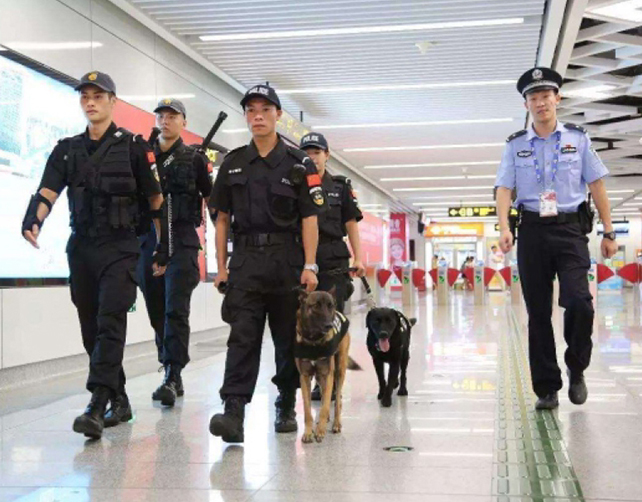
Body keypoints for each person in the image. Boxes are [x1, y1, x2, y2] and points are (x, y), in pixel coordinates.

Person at [21, 71, 165, 439]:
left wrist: (163, 246)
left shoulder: (134, 148)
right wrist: (33, 220)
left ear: (113, 101)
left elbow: (155, 200)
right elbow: (48, 192)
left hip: (121, 247)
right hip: (82, 249)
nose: (90, 102)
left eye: (98, 96)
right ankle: (120, 398)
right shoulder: (66, 149)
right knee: (91, 330)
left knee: (110, 321)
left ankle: (97, 404)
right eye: (85, 96)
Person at [207, 84, 326, 443]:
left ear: (278, 115)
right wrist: (221, 267)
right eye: (251, 110)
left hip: (286, 263)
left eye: (265, 110)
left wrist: (310, 265)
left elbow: (309, 218)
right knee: (242, 338)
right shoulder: (232, 163)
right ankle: (233, 411)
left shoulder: (299, 163)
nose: (257, 116)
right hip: (245, 263)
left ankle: (286, 401)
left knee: (286, 339)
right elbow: (221, 219)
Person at [495, 66, 617, 411]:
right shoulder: (515, 145)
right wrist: (504, 227)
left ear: (557, 99)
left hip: (570, 230)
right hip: (532, 231)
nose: (541, 102)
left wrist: (609, 232)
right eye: (534, 97)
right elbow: (503, 188)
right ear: (526, 105)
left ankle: (576, 367)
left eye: (546, 96)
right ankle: (547, 388)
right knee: (538, 313)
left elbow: (596, 184)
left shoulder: (578, 139)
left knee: (579, 302)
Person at [137, 98, 213, 407]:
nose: (165, 121)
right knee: (156, 309)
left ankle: (173, 373)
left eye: (172, 116)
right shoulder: (142, 155)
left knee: (175, 309)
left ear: (184, 122)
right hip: (149, 238)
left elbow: (212, 199)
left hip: (181, 238)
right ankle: (166, 359)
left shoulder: (194, 159)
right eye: (161, 116)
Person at [299, 131, 364, 401]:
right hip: (303, 257)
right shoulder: (295, 183)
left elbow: (351, 223)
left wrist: (358, 257)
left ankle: (329, 382)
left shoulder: (339, 186)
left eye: (317, 152)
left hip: (333, 260)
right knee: (305, 323)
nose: (312, 158)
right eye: (307, 153)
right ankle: (307, 375)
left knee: (331, 322)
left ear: (326, 155)